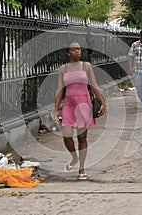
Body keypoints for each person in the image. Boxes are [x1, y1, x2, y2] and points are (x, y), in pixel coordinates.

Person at [54, 41, 105, 180]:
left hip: (84, 103)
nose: (77, 51)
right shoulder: (63, 69)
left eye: (79, 49)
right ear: (68, 53)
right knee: (67, 134)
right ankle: (74, 157)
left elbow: (94, 85)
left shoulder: (86, 66)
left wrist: (102, 102)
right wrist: (56, 110)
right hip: (69, 104)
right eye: (74, 49)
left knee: (82, 137)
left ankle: (82, 169)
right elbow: (60, 89)